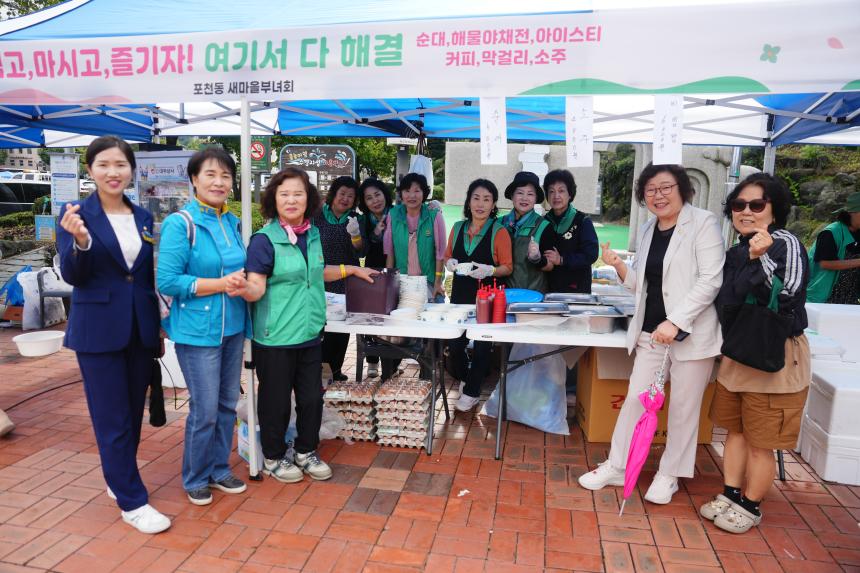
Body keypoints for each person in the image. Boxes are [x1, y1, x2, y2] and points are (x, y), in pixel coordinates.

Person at [578, 163, 724, 505]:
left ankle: (669, 474)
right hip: (651, 333)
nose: (658, 196)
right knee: (634, 400)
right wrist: (617, 265)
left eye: (665, 187)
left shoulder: (703, 223)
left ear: (682, 188)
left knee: (684, 408)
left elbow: (711, 280)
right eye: (650, 190)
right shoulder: (646, 229)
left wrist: (677, 320)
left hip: (691, 334)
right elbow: (641, 285)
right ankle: (617, 465)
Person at [56, 136, 170, 534]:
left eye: (120, 164)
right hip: (97, 331)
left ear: (130, 170)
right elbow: (73, 276)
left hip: (139, 328)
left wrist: (156, 322)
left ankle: (117, 475)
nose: (113, 172)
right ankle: (132, 500)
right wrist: (82, 243)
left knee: (133, 414)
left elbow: (143, 276)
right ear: (91, 171)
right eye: (103, 164)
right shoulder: (74, 216)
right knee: (112, 418)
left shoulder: (142, 217)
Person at [236, 167, 377, 483]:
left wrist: (351, 270)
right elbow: (257, 286)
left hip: (311, 331)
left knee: (312, 398)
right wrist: (243, 288)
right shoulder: (264, 240)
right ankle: (272, 456)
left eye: (298, 193)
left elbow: (315, 271)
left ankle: (305, 451)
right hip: (275, 336)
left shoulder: (311, 234)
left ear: (308, 198)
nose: (291, 200)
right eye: (284, 193)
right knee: (276, 401)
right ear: (274, 198)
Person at [702, 173, 810, 534]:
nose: (746, 211)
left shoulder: (786, 243)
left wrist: (761, 260)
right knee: (734, 430)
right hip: (737, 354)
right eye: (738, 205)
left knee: (762, 441)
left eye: (756, 204)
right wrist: (749, 257)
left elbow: (788, 298)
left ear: (774, 211)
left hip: (774, 355)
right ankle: (731, 494)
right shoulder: (736, 251)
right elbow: (727, 301)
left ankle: (751, 504)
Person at [157, 147, 251, 506]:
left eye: (225, 175)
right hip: (197, 332)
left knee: (227, 402)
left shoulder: (232, 222)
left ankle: (218, 469)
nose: (219, 182)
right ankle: (195, 476)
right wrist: (220, 284)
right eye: (210, 174)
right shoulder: (181, 223)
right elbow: (167, 281)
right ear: (194, 180)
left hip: (233, 327)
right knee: (205, 407)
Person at [444, 179, 513, 411]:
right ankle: (466, 378)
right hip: (460, 295)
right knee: (454, 343)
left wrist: (490, 270)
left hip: (489, 297)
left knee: (483, 344)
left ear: (493, 204)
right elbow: (446, 258)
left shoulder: (499, 231)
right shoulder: (458, 228)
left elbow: (508, 267)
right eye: (476, 198)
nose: (481, 204)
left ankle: (473, 391)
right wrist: (450, 263)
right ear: (469, 201)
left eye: (487, 199)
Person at [314, 176, 363, 381]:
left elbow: (361, 251)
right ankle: (320, 370)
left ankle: (336, 369)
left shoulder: (355, 219)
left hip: (346, 281)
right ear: (333, 194)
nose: (345, 199)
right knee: (322, 326)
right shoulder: (316, 216)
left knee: (342, 329)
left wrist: (355, 235)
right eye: (342, 193)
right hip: (321, 278)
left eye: (350, 196)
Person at [384, 173, 446, 302]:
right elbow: (390, 252)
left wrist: (438, 282)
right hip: (403, 282)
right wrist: (389, 282)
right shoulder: (394, 214)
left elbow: (440, 254)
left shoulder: (434, 215)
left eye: (417, 191)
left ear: (424, 193)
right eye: (407, 191)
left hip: (429, 281)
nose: (412, 196)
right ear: (401, 193)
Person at [358, 177, 394, 379]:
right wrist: (374, 232)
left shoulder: (398, 212)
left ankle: (393, 361)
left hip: (396, 267)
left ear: (385, 195)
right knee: (371, 315)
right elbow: (362, 251)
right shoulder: (363, 220)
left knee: (392, 316)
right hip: (372, 269)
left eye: (377, 195)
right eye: (369, 198)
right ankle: (372, 361)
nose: (375, 201)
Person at [542, 169, 599, 293]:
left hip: (577, 289)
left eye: (561, 191)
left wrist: (562, 259)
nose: (556, 196)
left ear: (570, 194)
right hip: (548, 289)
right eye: (551, 191)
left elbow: (591, 255)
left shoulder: (582, 221)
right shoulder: (543, 222)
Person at [500, 171, 557, 292]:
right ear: (512, 196)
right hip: (502, 295)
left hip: (533, 297)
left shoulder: (544, 226)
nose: (524, 198)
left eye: (530, 194)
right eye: (520, 193)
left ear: (536, 199)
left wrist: (537, 259)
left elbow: (550, 266)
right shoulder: (499, 224)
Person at [807, 192, 860, 304]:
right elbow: (825, 264)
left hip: (849, 298)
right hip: (821, 298)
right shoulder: (830, 233)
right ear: (852, 213)